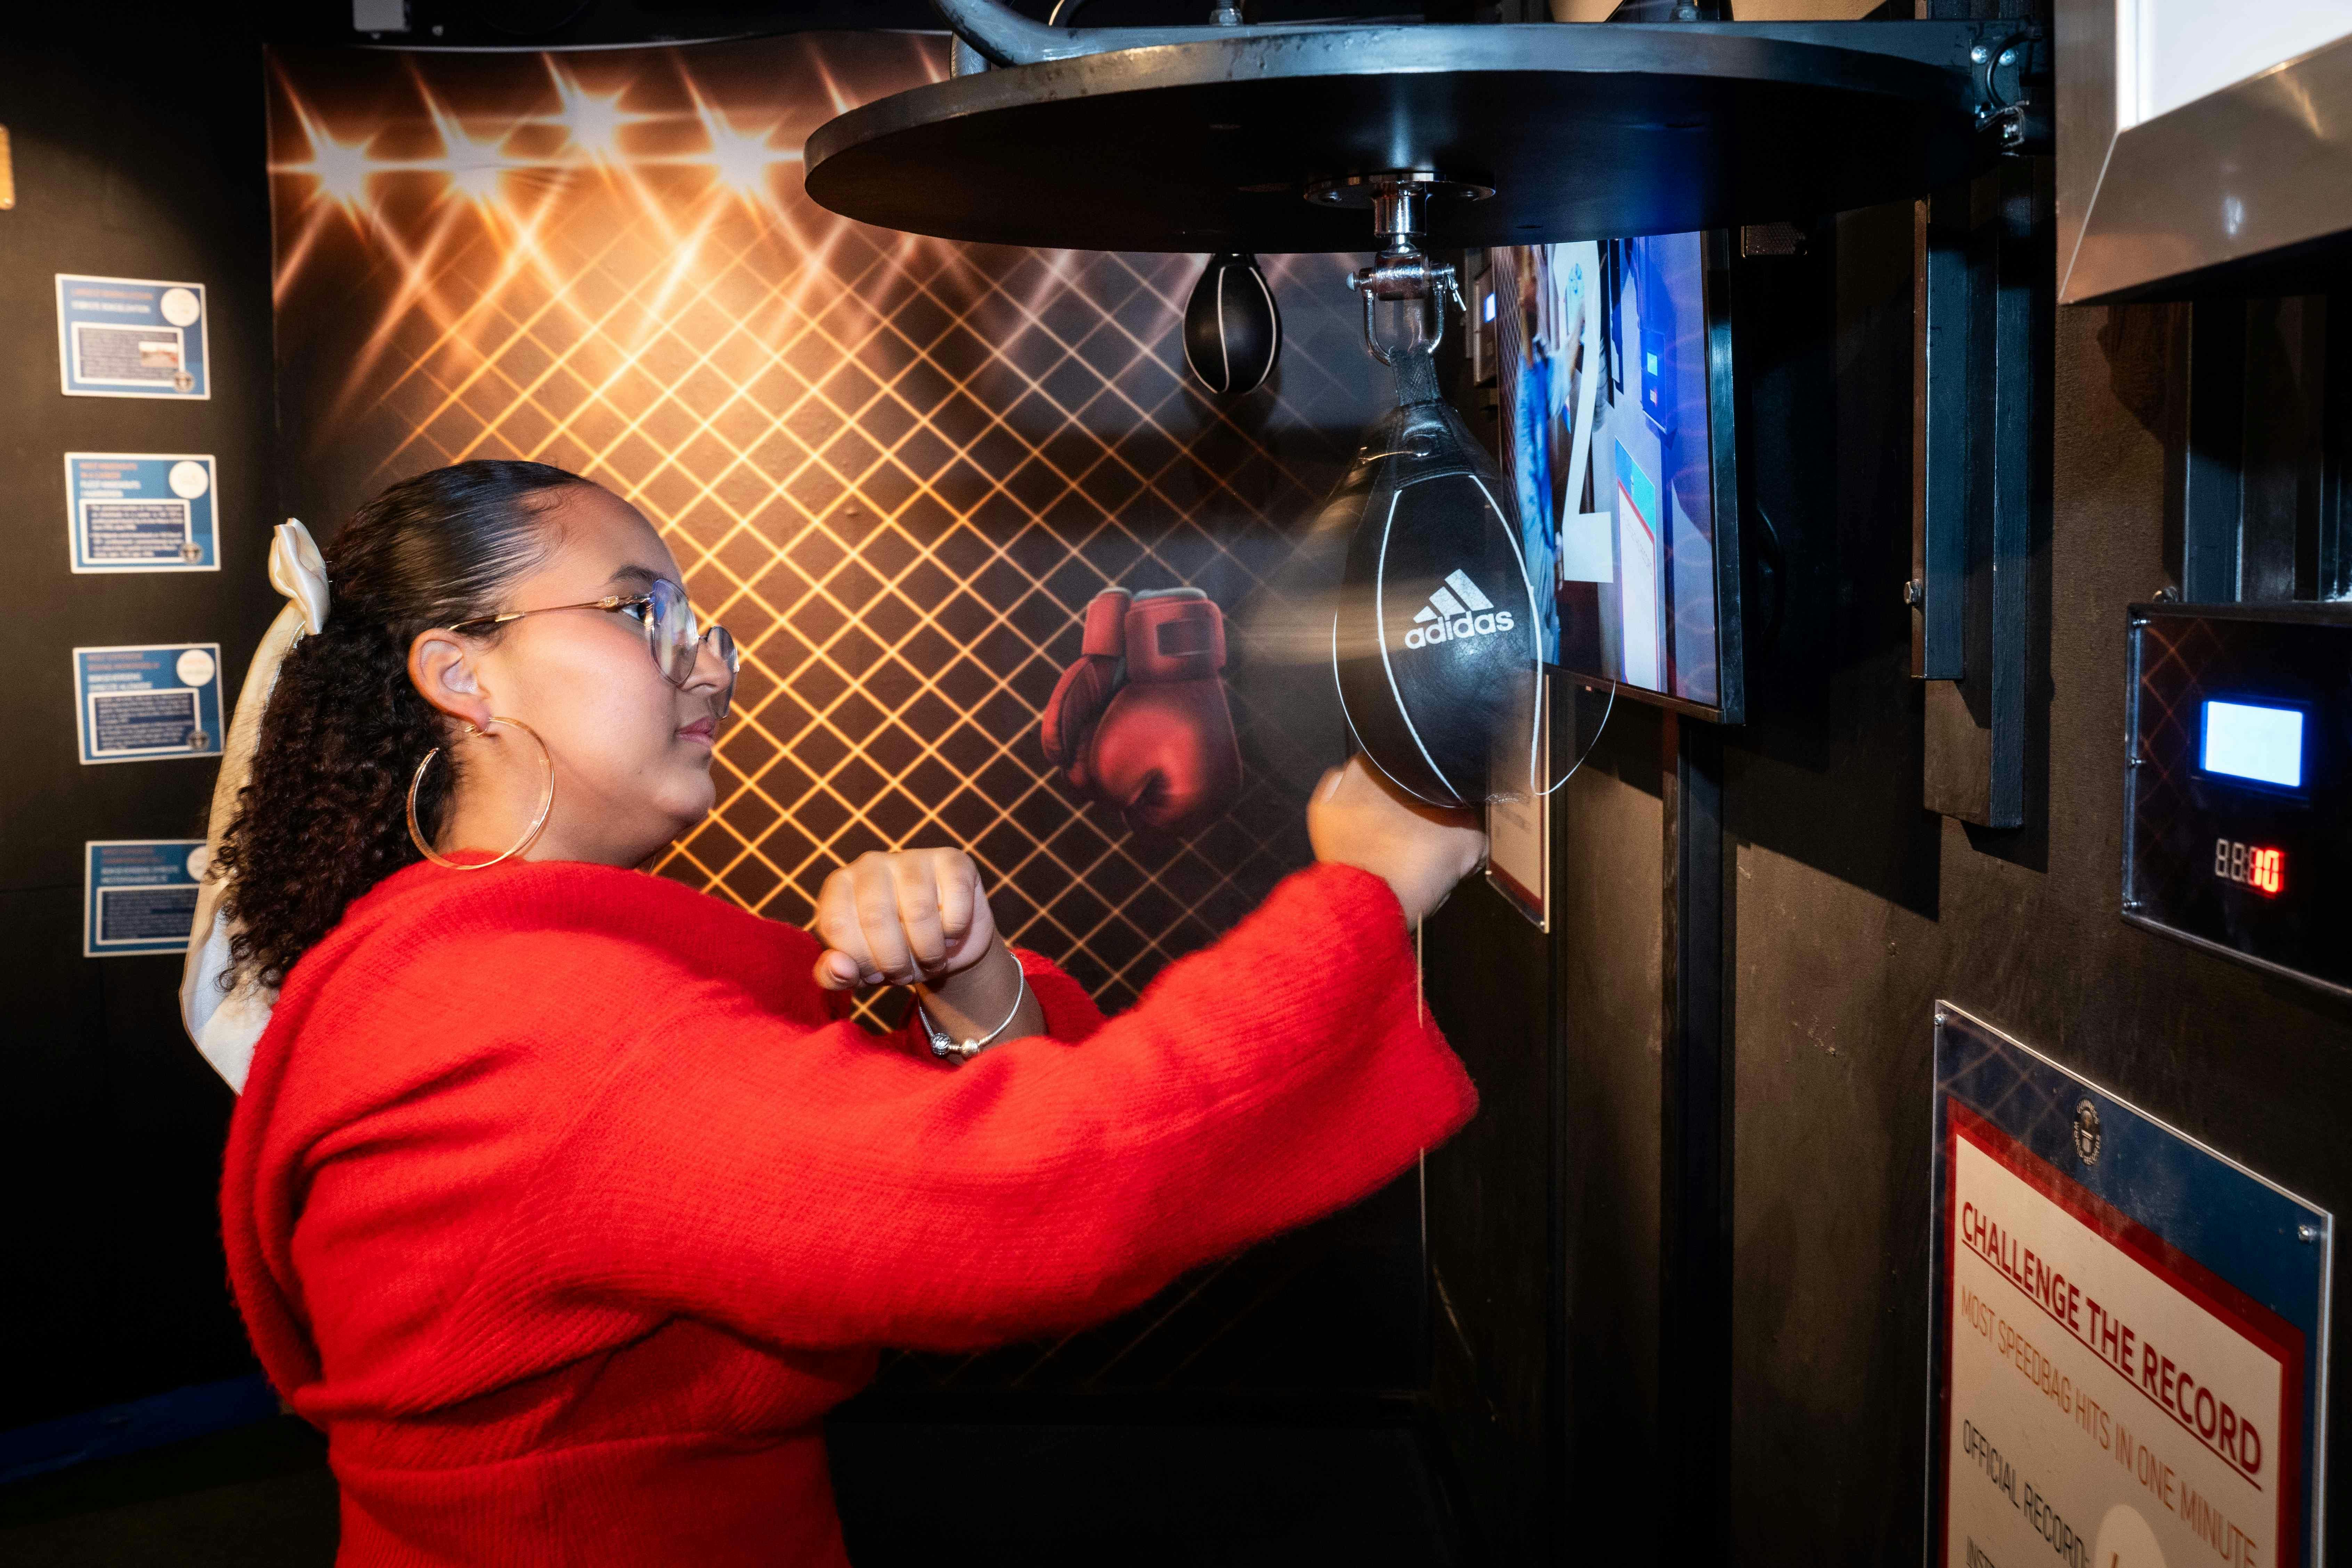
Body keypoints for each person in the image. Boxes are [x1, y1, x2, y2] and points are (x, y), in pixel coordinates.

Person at [209, 460, 1487, 1567]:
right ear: (461, 676)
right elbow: (1025, 1198)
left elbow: (913, 1146)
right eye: (641, 612)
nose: (709, 664)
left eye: (699, 620)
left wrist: (972, 976)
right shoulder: (528, 1019)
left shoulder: (483, 965)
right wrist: (1358, 893)